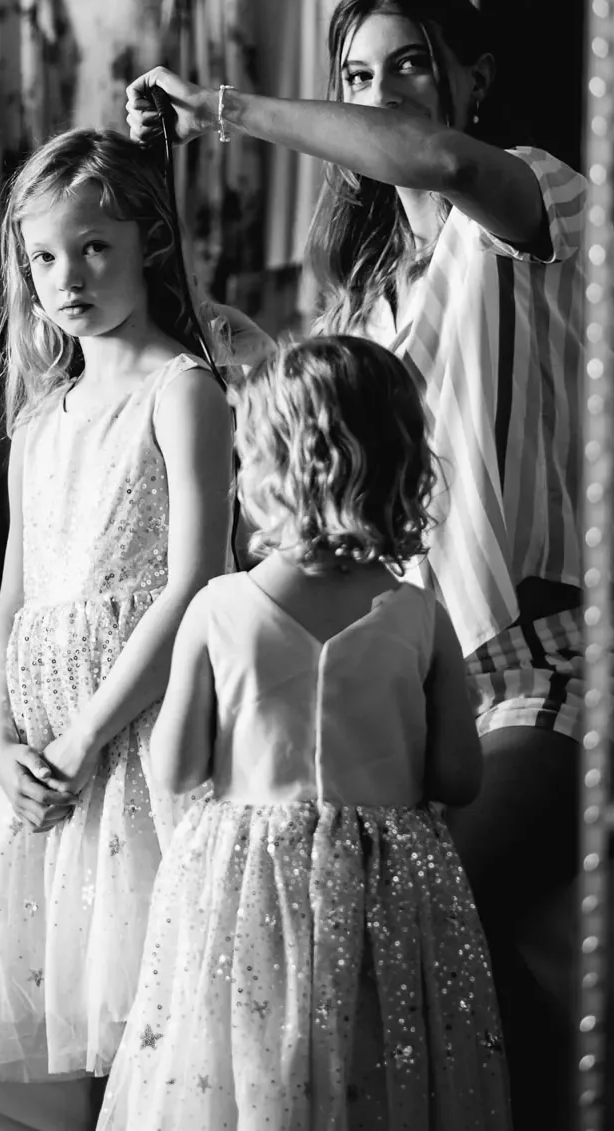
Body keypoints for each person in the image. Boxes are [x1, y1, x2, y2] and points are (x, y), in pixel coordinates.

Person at [124, 0, 614, 1126]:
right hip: (426, 676)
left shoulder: (538, 204)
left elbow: (439, 162)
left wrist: (226, 110)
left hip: (575, 663)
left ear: (472, 78)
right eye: (358, 75)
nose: (384, 93)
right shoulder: (359, 311)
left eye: (409, 63)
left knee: (424, 913)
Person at [99, 336, 511, 1129]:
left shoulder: (217, 608)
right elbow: (460, 778)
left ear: (260, 469)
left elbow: (180, 765)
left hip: (246, 885)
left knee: (246, 1060)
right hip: (387, 890)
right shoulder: (422, 618)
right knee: (376, 1064)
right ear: (400, 468)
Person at [0, 127, 235, 1091]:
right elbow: (14, 607)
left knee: (160, 1030)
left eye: (93, 246)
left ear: (148, 243)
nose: (67, 276)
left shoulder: (182, 391)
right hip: (47, 757)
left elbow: (198, 581)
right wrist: (2, 742)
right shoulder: (39, 425)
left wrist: (82, 741)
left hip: (137, 744)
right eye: (42, 257)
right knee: (86, 1012)